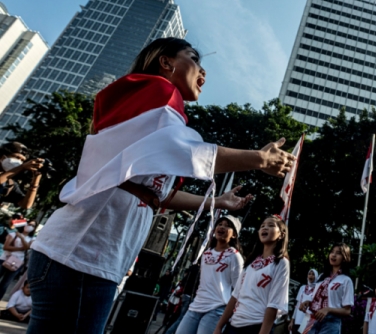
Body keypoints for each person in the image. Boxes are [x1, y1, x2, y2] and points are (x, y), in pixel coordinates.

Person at [25, 38, 296, 334]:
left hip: (87, 259)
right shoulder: (158, 91)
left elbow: (160, 195)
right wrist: (258, 158)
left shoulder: (162, 112)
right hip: (80, 257)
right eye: (194, 58)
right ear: (165, 62)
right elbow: (183, 150)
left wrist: (218, 202)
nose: (203, 70)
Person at [213, 215, 290, 334]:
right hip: (234, 324)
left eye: (271, 225)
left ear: (281, 234)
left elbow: (274, 304)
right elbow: (235, 296)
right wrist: (219, 326)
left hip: (256, 326)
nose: (265, 228)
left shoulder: (281, 263)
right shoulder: (251, 263)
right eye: (262, 226)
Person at [176, 215, 244, 334]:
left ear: (234, 235)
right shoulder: (206, 253)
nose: (222, 227)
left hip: (217, 309)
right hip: (195, 306)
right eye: (220, 224)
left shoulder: (235, 257)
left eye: (227, 226)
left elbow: (238, 289)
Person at [299, 242, 354, 334]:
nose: (334, 255)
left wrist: (328, 309)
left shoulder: (346, 280)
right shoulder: (322, 277)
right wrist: (308, 302)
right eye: (332, 252)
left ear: (345, 258)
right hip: (312, 318)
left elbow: (347, 311)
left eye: (338, 253)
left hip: (330, 321)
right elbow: (316, 298)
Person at [0, 142, 44, 210]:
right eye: (17, 157)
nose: (19, 162)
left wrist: (36, 178)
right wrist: (22, 167)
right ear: (3, 157)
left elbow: (26, 204)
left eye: (22, 160)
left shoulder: (9, 184)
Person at [0, 225, 33, 300]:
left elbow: (27, 247)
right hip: (4, 259)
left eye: (33, 225)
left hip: (18, 263)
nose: (30, 227)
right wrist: (21, 248)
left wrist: (21, 238)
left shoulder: (33, 238)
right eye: (29, 224)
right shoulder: (13, 234)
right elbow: (6, 247)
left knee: (5, 284)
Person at [289, 269, 319, 334]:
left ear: (316, 276)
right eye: (309, 274)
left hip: (308, 320)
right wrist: (292, 321)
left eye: (313, 274)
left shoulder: (317, 290)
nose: (311, 276)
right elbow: (297, 304)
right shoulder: (302, 288)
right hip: (298, 320)